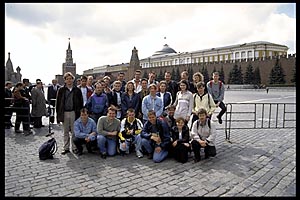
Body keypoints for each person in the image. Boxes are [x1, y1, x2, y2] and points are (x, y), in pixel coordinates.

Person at [56, 72, 84, 155]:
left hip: (74, 112)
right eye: (67, 79)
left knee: (74, 131)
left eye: (70, 79)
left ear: (73, 79)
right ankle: (66, 148)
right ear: (65, 80)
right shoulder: (61, 90)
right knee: (65, 131)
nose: (69, 80)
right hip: (64, 112)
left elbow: (81, 102)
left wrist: (80, 113)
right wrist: (58, 115)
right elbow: (58, 103)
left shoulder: (77, 90)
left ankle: (74, 147)